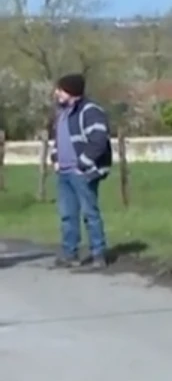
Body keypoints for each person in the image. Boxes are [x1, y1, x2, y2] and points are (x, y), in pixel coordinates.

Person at [47, 73, 114, 268]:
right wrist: (56, 159)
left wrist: (82, 164)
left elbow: (98, 140)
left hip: (83, 172)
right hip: (64, 172)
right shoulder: (62, 113)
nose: (57, 93)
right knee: (68, 214)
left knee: (90, 214)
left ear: (70, 91)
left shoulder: (90, 111)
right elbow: (58, 140)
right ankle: (70, 253)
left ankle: (98, 254)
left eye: (60, 89)